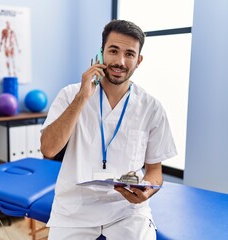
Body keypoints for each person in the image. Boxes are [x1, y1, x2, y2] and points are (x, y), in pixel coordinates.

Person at [40, 19, 177, 240]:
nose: (120, 61)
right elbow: (48, 149)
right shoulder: (70, 94)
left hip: (127, 210)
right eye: (113, 51)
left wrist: (148, 191)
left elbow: (155, 171)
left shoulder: (151, 107)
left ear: (138, 60)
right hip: (74, 209)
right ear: (101, 52)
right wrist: (82, 98)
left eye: (129, 54)